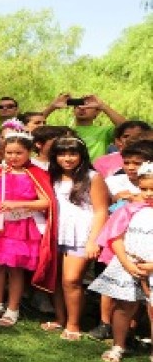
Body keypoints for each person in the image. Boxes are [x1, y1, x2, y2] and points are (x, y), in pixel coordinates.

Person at [0, 134, 58, 328]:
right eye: (9, 152)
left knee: (15, 268)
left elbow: (46, 202)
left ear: (29, 152)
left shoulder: (35, 173)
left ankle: (13, 307)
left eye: (19, 153)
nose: (13, 157)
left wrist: (17, 204)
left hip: (20, 226)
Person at [43, 136, 109, 340]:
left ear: (81, 155)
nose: (67, 158)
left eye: (72, 153)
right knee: (56, 280)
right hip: (57, 232)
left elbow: (101, 211)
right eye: (62, 154)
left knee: (72, 280)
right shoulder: (52, 176)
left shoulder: (92, 177)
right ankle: (61, 318)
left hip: (82, 235)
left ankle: (74, 324)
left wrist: (93, 240)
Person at [89, 162, 153, 362]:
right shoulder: (129, 210)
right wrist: (126, 263)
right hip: (129, 265)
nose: (148, 193)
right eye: (144, 189)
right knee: (124, 306)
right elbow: (115, 237)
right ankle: (118, 345)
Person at [42, 93, 126, 159]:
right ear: (73, 111)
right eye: (77, 106)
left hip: (95, 174)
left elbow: (127, 127)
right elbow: (34, 128)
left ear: (97, 112)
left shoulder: (104, 131)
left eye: (87, 106)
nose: (82, 108)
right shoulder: (64, 131)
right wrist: (52, 107)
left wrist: (104, 107)